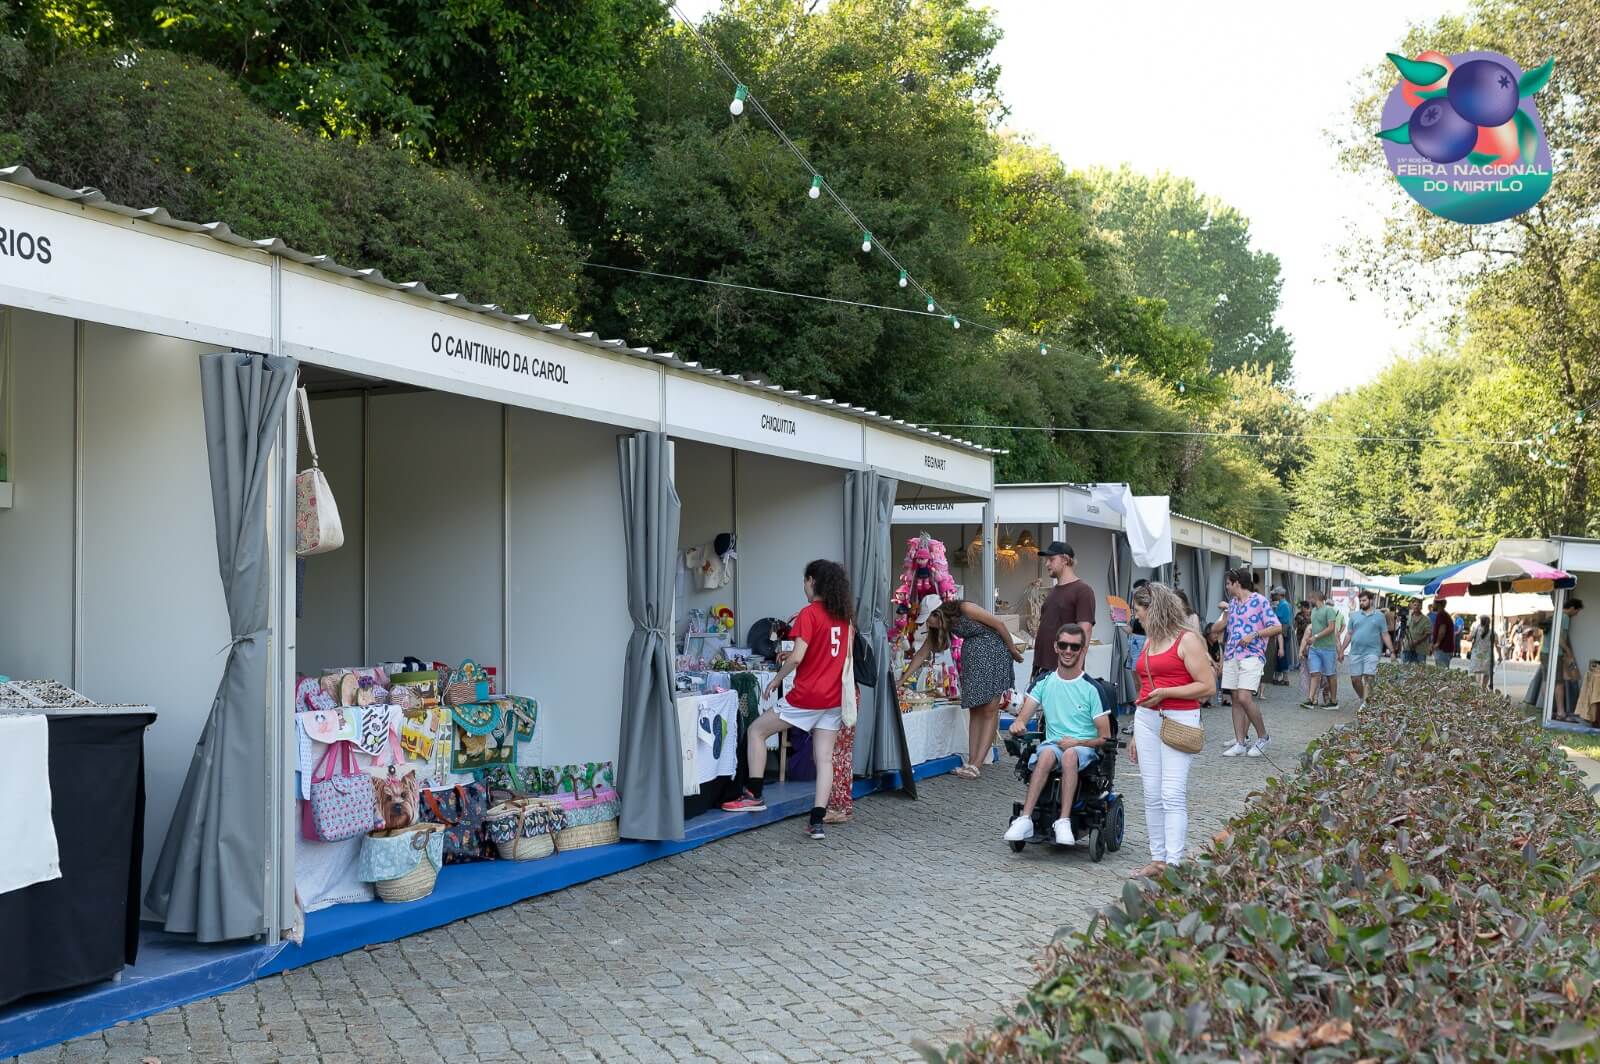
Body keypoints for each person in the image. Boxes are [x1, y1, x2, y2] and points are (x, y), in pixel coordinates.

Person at [721, 560, 854, 839]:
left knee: (757, 730)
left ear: (812, 581)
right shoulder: (843, 617)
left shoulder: (809, 614)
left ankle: (754, 794)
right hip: (833, 699)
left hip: (806, 696)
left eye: (805, 582)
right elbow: (839, 655)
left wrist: (777, 679)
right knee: (825, 759)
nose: (804, 587)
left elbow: (797, 656)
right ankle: (817, 821)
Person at [1128, 582, 1214, 878]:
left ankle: (1174, 862)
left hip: (1178, 718)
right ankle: (1158, 858)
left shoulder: (1186, 640)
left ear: (1153, 609)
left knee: (1171, 793)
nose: (1136, 617)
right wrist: (1137, 732)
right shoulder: (1152, 638)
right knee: (1151, 793)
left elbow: (1208, 686)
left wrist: (1166, 693)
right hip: (1147, 718)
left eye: (1138, 611)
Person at [1003, 624, 1111, 845]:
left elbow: (1105, 737)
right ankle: (1025, 819)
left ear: (1082, 649)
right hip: (1053, 746)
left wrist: (1077, 742)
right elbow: (1023, 716)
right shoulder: (1044, 682)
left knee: (1070, 754)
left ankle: (1063, 821)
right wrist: (1018, 724)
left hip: (1083, 748)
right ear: (1056, 646)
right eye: (1063, 645)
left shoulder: (1092, 689)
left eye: (1074, 646)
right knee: (1046, 754)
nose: (1068, 651)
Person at [903, 595, 1024, 779]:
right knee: (975, 709)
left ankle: (977, 763)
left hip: (993, 652)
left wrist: (1013, 650)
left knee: (990, 709)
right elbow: (921, 654)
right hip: (974, 657)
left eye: (929, 619)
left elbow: (999, 625)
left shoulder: (966, 608)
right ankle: (972, 760)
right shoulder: (942, 626)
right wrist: (902, 679)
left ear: (938, 613)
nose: (929, 624)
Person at [1209, 568, 1282, 757]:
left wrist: (1254, 634)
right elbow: (1220, 629)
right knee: (1235, 699)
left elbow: (1277, 626)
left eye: (1228, 583)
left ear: (1237, 583)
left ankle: (1263, 737)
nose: (1226, 587)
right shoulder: (1233, 604)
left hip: (1252, 655)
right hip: (1233, 654)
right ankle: (1240, 742)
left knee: (1244, 697)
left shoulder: (1259, 601)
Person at [1030, 542, 1096, 682]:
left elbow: (1085, 630)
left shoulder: (1083, 590)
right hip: (1042, 668)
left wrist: (1076, 669)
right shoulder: (1053, 591)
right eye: (1046, 560)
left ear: (1065, 560)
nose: (1047, 564)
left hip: (1063, 671)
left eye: (1051, 559)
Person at [1341, 591, 1393, 709]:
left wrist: (1392, 650)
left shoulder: (1379, 616)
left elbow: (1385, 634)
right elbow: (1349, 634)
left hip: (1373, 652)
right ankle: (1363, 697)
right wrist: (1341, 650)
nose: (1362, 603)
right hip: (1355, 651)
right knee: (1355, 680)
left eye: (1364, 600)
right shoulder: (1354, 616)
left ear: (1371, 600)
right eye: (1360, 601)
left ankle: (1365, 704)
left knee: (1369, 677)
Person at [1299, 590, 1342, 708]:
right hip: (1315, 648)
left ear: (1315, 598)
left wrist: (1315, 637)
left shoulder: (1329, 610)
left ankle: (1333, 701)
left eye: (1310, 597)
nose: (1309, 600)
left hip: (1328, 648)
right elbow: (1314, 628)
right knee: (1315, 673)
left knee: (1330, 674)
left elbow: (1331, 628)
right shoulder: (1314, 611)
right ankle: (1310, 699)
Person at [1550, 598, 1585, 722]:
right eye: (1577, 611)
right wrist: (1568, 650)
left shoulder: (1557, 614)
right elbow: (1560, 638)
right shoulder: (1565, 617)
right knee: (1559, 683)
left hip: (1548, 651)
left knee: (1548, 681)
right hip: (1556, 653)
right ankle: (1561, 712)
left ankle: (1548, 710)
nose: (1576, 614)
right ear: (1572, 608)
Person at [1270, 587, 1294, 685]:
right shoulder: (1287, 603)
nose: (1273, 596)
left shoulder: (1282, 604)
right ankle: (1281, 677)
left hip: (1282, 629)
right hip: (1286, 628)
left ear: (1279, 595)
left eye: (1275, 594)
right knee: (1282, 652)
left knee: (1281, 652)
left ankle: (1285, 678)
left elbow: (1276, 617)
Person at [1469, 614, 1494, 691]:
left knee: (1474, 671)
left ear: (1481, 621)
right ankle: (1483, 687)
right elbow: (1496, 644)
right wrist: (1499, 655)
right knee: (1486, 672)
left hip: (1476, 654)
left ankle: (1476, 686)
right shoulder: (1492, 632)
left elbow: (1469, 638)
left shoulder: (1476, 629)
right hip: (1487, 655)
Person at [1403, 600, 1431, 664]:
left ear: (1421, 607)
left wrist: (1417, 641)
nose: (1416, 607)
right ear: (1412, 606)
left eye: (1418, 605)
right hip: (1408, 647)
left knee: (1420, 670)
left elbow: (1428, 633)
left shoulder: (1426, 619)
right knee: (1406, 668)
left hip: (1420, 649)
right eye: (1415, 605)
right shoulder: (1409, 617)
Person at [1432, 599, 1457, 666]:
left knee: (1441, 671)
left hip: (1443, 648)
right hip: (1445, 648)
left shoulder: (1441, 615)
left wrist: (1437, 643)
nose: (1432, 605)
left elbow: (1442, 630)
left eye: (1433, 603)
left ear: (1438, 604)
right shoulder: (1444, 614)